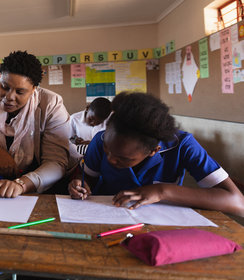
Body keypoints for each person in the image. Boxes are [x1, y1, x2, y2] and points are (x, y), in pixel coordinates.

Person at [68, 92, 244, 217]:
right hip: (103, 217)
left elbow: (237, 202)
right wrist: (79, 184)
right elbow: (87, 178)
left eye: (124, 158)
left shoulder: (183, 145)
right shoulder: (100, 140)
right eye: (107, 150)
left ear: (154, 151)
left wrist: (162, 191)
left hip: (162, 223)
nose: (111, 159)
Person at [0, 50, 75, 199]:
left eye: (20, 91)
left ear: (33, 90)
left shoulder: (51, 104)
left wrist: (21, 184)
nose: (9, 97)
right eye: (4, 87)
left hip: (39, 187)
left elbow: (56, 162)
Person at [68, 97, 111, 162]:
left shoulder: (109, 122)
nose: (93, 123)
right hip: (80, 156)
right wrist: (75, 141)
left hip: (100, 155)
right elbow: (68, 139)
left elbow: (111, 142)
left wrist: (93, 144)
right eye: (91, 119)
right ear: (87, 108)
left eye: (99, 122)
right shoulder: (74, 119)